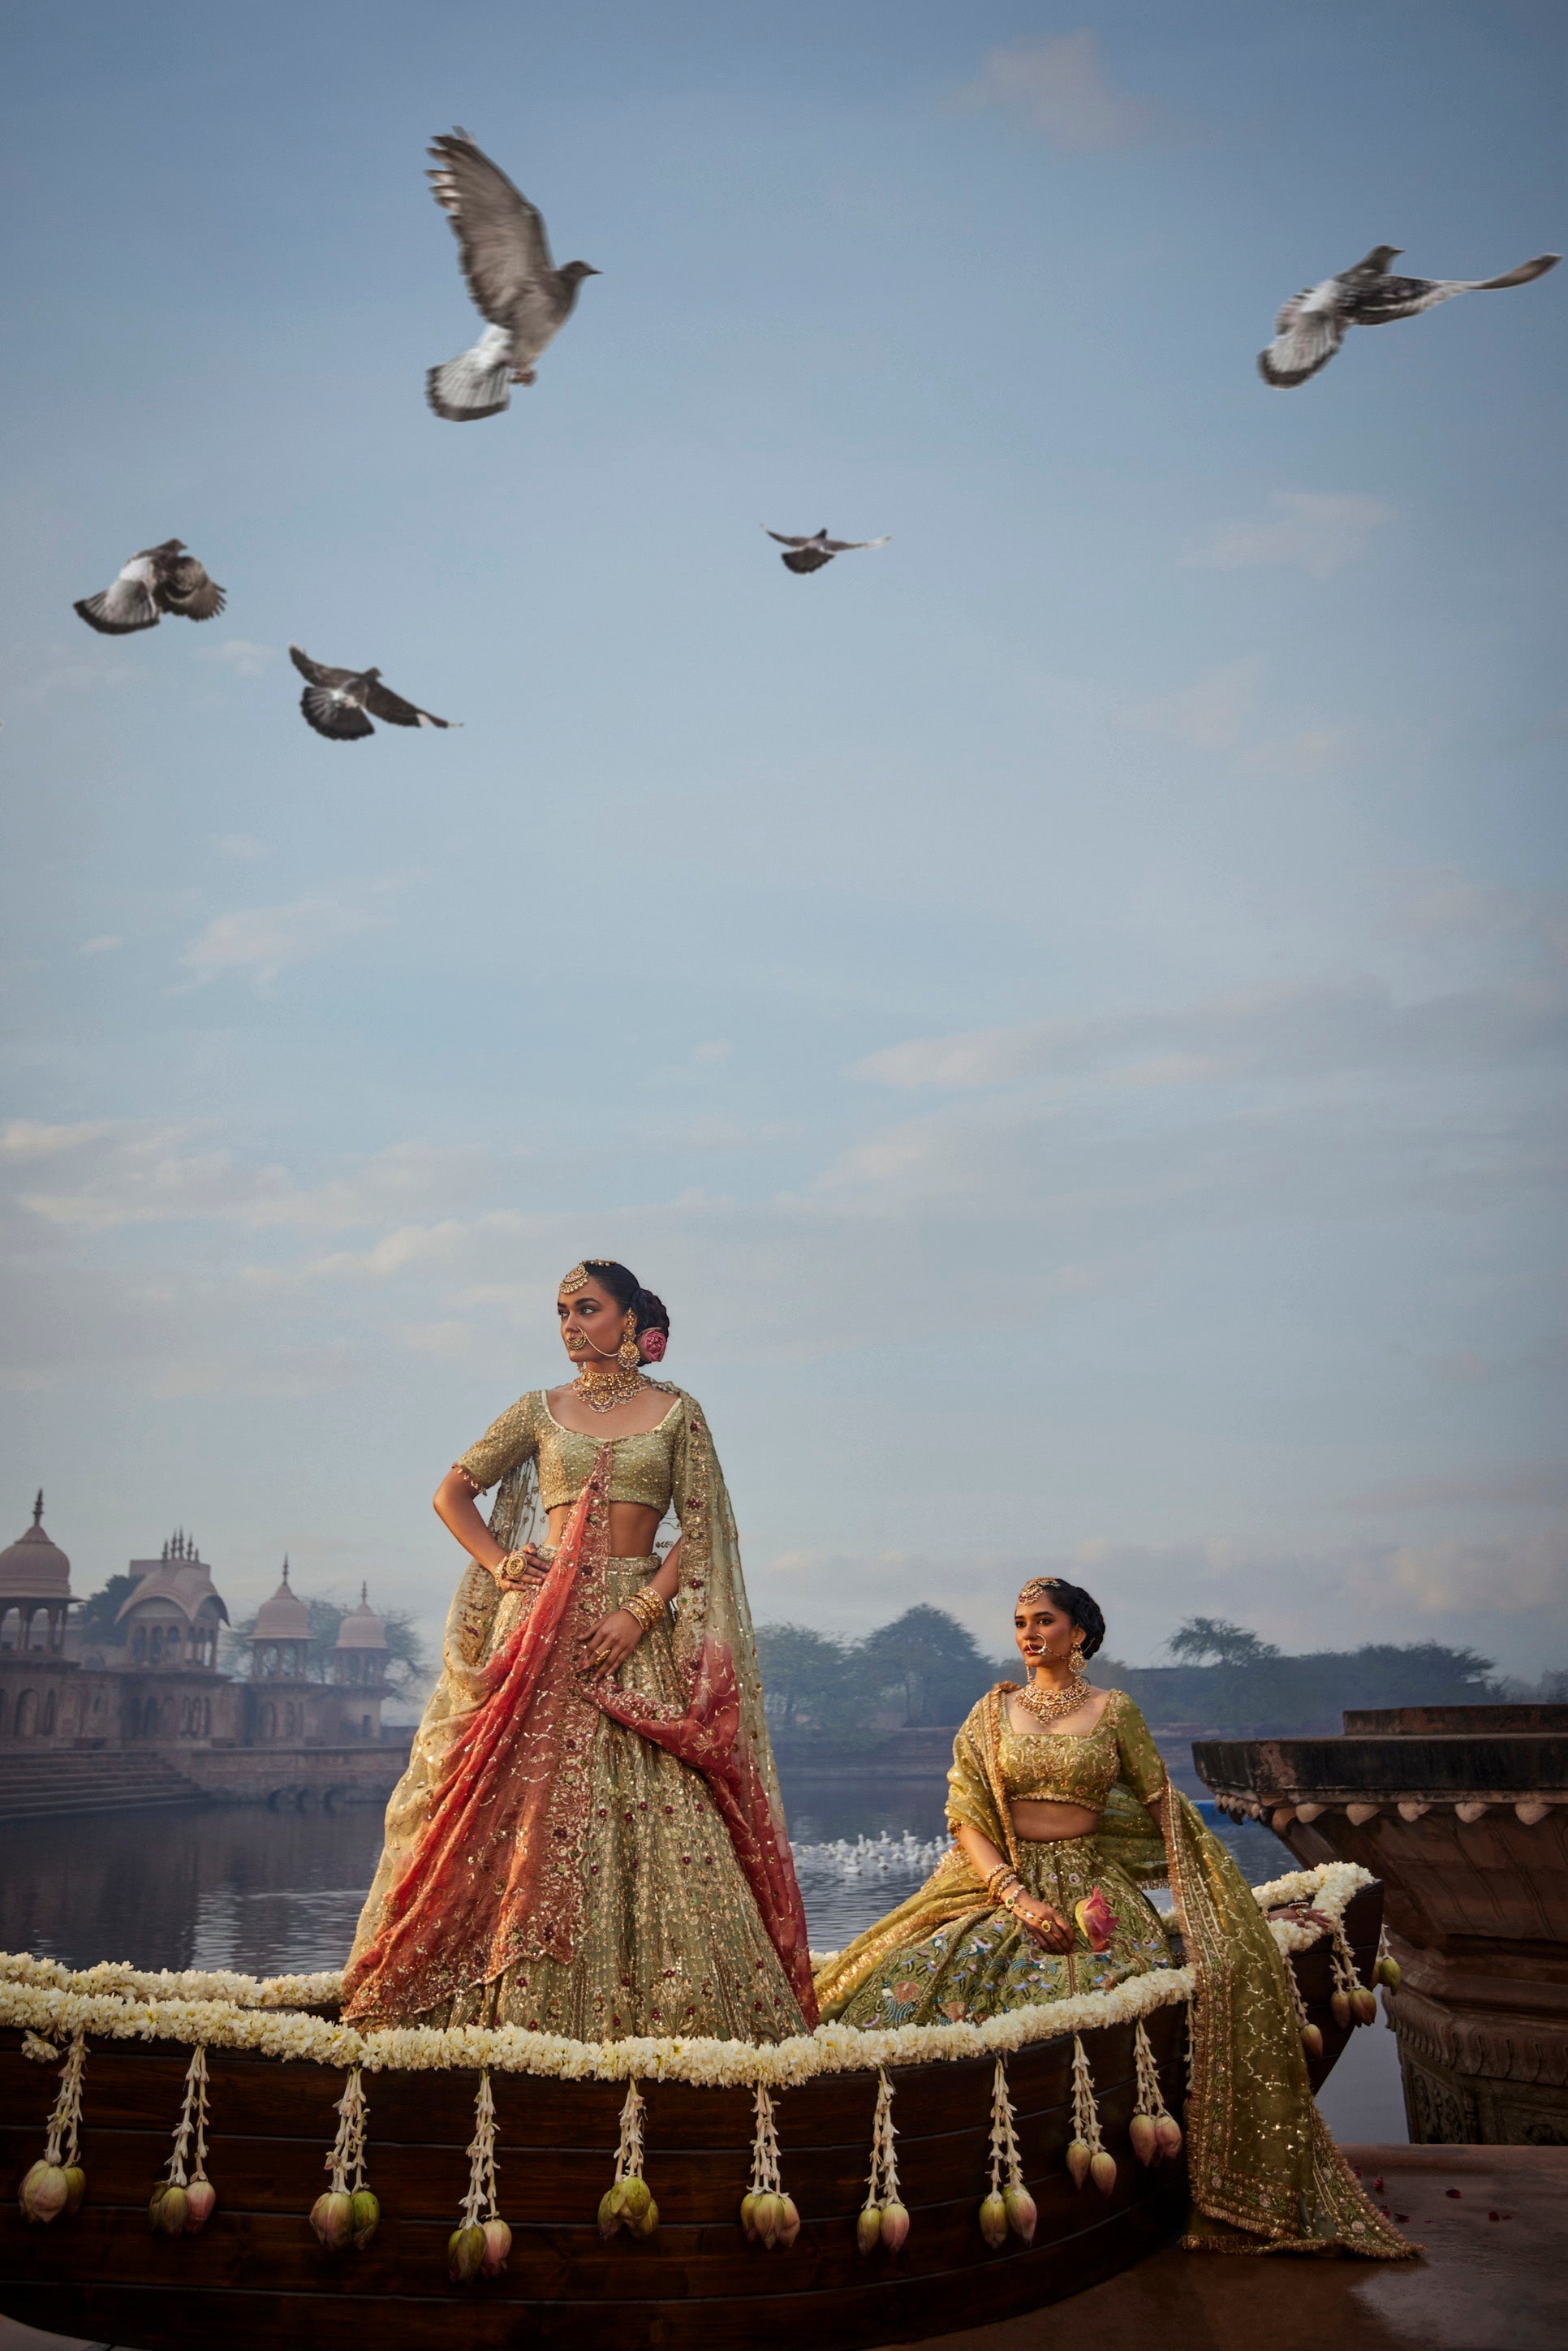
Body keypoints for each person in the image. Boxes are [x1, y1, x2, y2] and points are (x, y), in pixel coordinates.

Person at [813, 1577, 1410, 2258]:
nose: (1029, 1634)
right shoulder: (990, 1712)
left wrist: (1217, 1908)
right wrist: (1019, 1899)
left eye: (1044, 1620)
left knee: (1093, 1990)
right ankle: (921, 2153)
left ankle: (1070, 2161)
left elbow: (1167, 1811)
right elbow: (966, 1819)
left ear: (1080, 1633)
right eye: (1019, 1621)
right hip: (998, 1889)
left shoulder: (1113, 1711)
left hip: (1093, 1891)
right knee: (914, 1975)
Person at [343, 1258, 816, 2042]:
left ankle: (676, 2021)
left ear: (629, 1320)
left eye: (586, 1309)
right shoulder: (539, 1409)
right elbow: (451, 1493)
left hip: (636, 1638)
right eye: (561, 1312)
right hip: (539, 1633)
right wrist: (501, 1564)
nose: (570, 1326)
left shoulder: (677, 1414)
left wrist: (639, 1609)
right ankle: (497, 2008)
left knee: (661, 1813)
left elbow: (701, 1536)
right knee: (515, 1809)